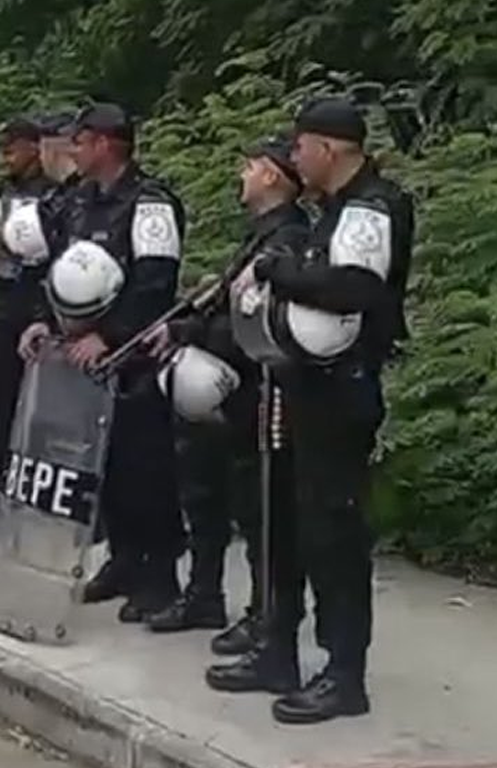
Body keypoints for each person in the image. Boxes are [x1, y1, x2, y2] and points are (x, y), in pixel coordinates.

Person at [235, 99, 413, 724]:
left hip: (342, 390)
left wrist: (279, 273)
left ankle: (344, 675)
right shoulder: (329, 213)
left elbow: (356, 291)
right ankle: (277, 646)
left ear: (331, 149)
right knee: (287, 519)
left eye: (301, 147)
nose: (293, 158)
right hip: (302, 385)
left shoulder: (369, 209)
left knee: (333, 532)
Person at [142, 136, 309, 692]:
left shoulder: (287, 239)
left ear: (273, 176)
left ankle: (268, 622)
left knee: (260, 516)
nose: (241, 173)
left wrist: (193, 332)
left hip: (250, 394)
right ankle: (216, 600)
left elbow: (254, 324)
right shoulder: (259, 236)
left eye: (250, 166)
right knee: (212, 496)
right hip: (224, 391)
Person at [19, 103, 186, 622]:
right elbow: (62, 272)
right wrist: (45, 320)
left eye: (82, 140)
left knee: (145, 469)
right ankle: (122, 559)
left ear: (107, 144)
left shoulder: (151, 204)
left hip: (133, 358)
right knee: (105, 466)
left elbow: (156, 283)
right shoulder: (77, 203)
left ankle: (159, 576)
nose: (73, 149)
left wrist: (110, 337)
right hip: (82, 358)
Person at [0, 118, 55, 499]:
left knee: (43, 399)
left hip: (44, 300)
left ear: (35, 147)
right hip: (6, 300)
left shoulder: (55, 194)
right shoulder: (2, 194)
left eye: (11, 148)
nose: (5, 157)